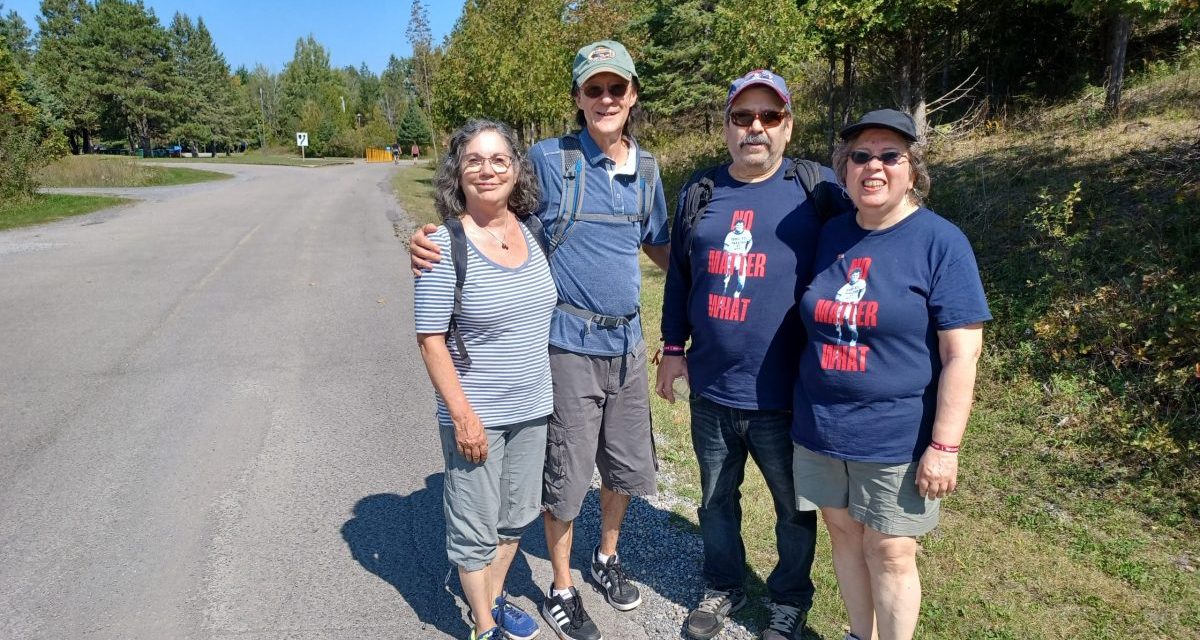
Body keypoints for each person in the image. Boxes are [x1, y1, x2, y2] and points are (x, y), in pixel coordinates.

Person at [410, 40, 670, 640]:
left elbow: (658, 244)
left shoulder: (649, 169)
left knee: (625, 468)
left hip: (628, 344)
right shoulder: (550, 161)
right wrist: (430, 239)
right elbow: (488, 197)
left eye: (616, 88)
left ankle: (604, 558)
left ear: (632, 95)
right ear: (578, 99)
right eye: (593, 89)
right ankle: (560, 585)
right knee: (567, 473)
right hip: (569, 346)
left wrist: (705, 284)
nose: (606, 99)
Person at [657, 69, 852, 640]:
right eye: (742, 118)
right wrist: (673, 348)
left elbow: (875, 236)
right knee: (716, 500)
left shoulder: (816, 190)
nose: (756, 128)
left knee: (794, 509)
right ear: (726, 127)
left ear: (788, 126)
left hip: (789, 392)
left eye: (769, 117)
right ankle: (723, 585)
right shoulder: (701, 191)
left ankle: (789, 599)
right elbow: (679, 280)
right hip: (713, 387)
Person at [790, 109, 991, 640]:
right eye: (860, 156)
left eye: (889, 156)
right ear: (844, 168)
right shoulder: (831, 234)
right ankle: (861, 634)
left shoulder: (940, 242)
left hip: (897, 435)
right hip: (821, 426)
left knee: (893, 550)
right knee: (843, 534)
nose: (873, 167)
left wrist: (945, 447)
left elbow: (962, 355)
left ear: (912, 168)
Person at [413, 119, 557, 640]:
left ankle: (493, 600)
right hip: (477, 414)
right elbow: (430, 340)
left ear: (517, 170)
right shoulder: (442, 246)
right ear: (457, 172)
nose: (488, 169)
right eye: (474, 159)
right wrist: (463, 417)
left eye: (499, 159)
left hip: (533, 406)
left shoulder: (534, 231)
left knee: (515, 517)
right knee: (474, 528)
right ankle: (483, 625)